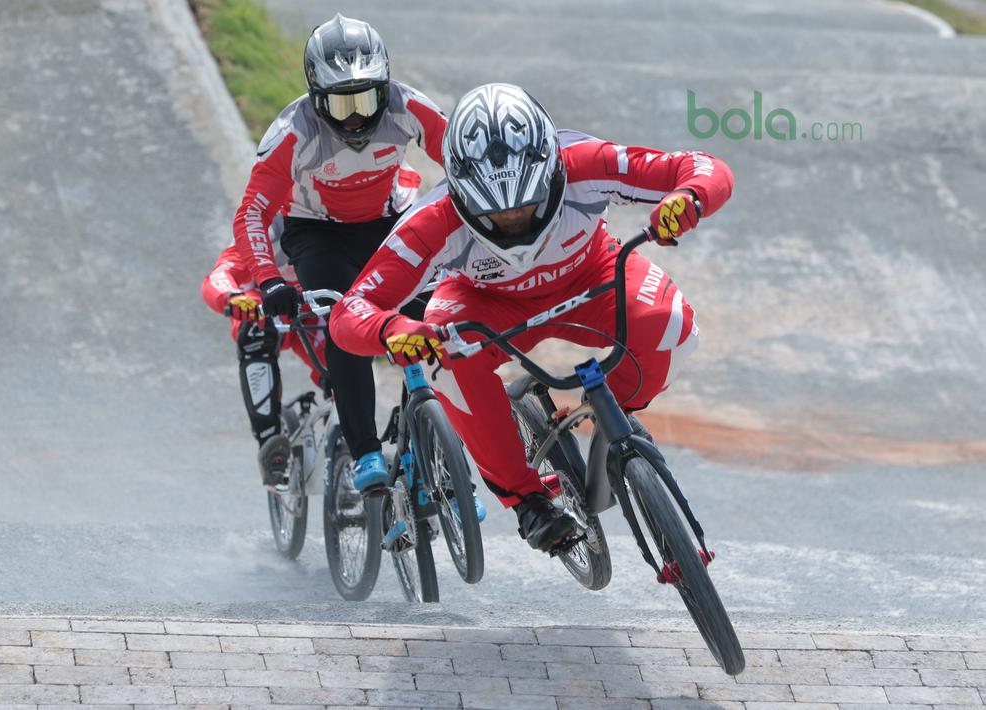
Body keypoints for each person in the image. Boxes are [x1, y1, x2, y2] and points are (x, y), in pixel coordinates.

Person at [329, 83, 734, 553]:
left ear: (553, 168)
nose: (516, 222)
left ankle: (610, 412)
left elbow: (703, 167)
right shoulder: (430, 221)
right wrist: (392, 330)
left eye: (528, 205)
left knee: (673, 326)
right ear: (460, 194)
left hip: (592, 275)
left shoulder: (586, 160)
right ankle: (526, 500)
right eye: (497, 217)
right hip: (485, 303)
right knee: (445, 359)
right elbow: (348, 313)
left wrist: (689, 198)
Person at [232, 13, 447, 492]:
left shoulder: (409, 105)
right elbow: (251, 213)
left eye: (366, 99)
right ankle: (367, 452)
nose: (355, 117)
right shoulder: (291, 132)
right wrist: (268, 279)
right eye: (340, 103)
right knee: (345, 324)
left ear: (385, 86)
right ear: (315, 96)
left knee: (439, 311)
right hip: (317, 234)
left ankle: (444, 437)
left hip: (386, 223)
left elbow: (461, 161)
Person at [200, 216, 326, 485]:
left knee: (343, 354)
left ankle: (346, 445)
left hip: (311, 308)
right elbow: (219, 275)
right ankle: (270, 442)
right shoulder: (265, 224)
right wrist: (232, 298)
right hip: (262, 306)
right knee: (256, 332)